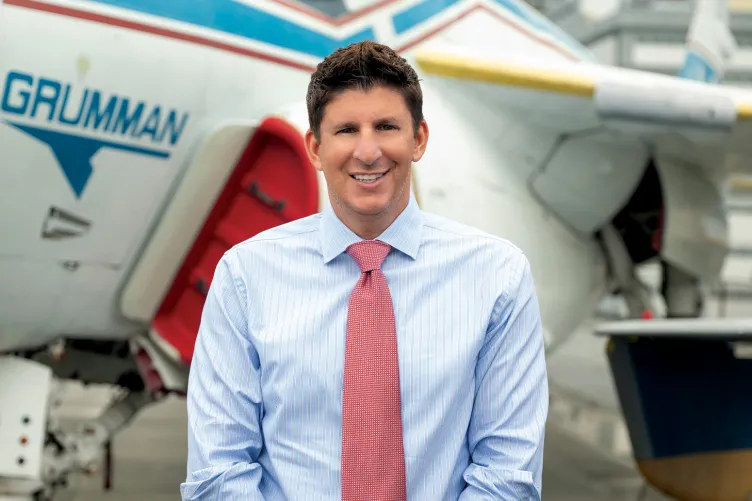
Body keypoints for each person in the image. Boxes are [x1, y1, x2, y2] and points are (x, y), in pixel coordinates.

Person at [180, 40, 548, 501]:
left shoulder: (498, 277)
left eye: (387, 127)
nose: (368, 151)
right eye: (347, 130)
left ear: (418, 139)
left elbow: (507, 472)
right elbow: (219, 469)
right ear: (315, 147)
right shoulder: (245, 276)